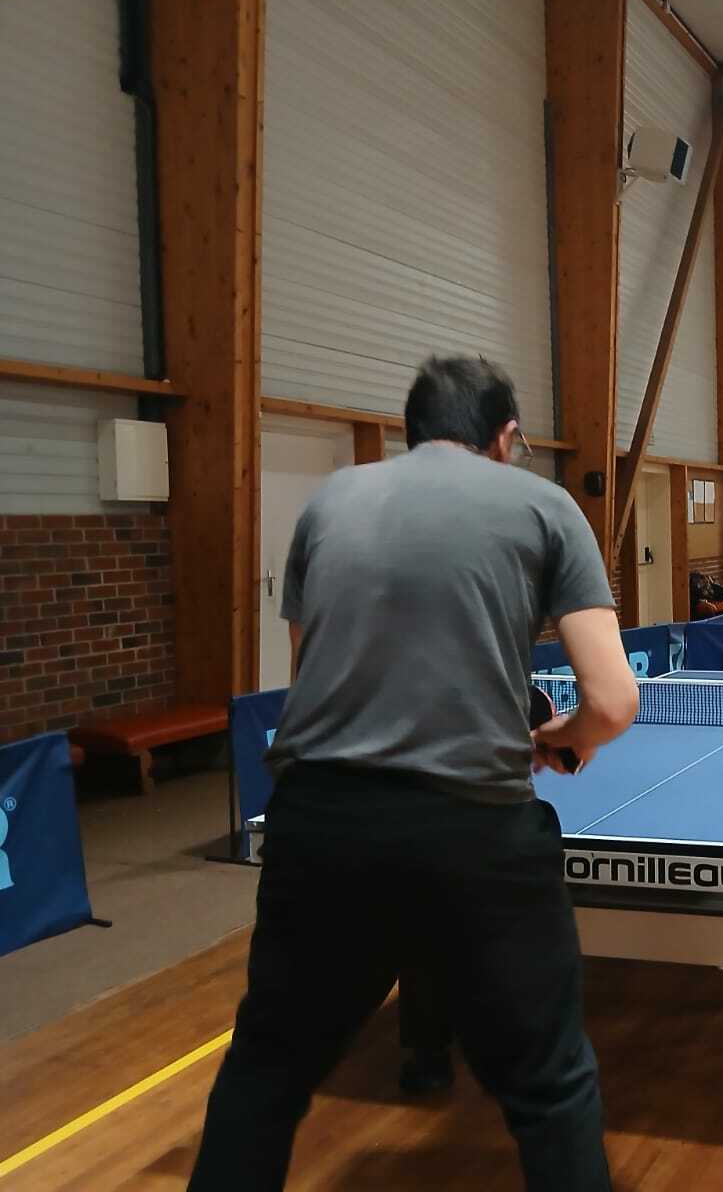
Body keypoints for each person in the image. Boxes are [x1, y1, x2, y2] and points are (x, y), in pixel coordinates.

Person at [188, 357, 638, 1192]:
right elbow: (613, 701)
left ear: (412, 431)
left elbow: (309, 675)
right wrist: (559, 737)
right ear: (506, 436)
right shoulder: (545, 505)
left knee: (265, 1073)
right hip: (474, 830)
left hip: (319, 826)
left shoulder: (329, 502)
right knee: (550, 1086)